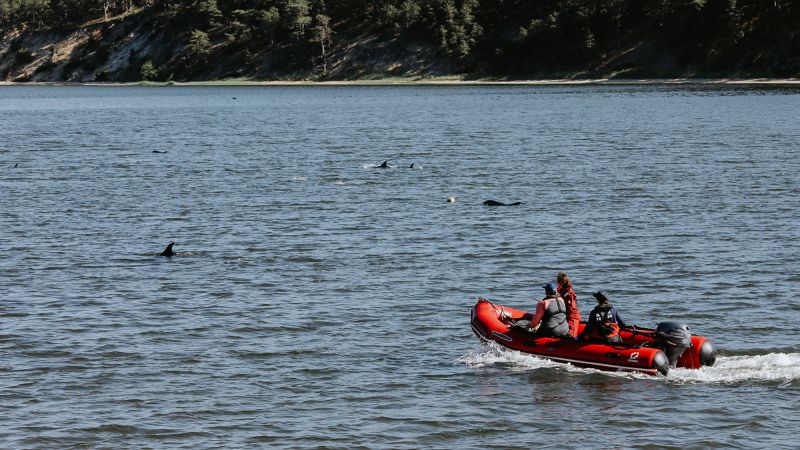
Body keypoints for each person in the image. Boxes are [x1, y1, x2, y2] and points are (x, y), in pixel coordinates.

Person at [556, 272, 580, 338]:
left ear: (560, 283)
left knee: (571, 335)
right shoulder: (562, 291)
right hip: (565, 316)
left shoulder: (568, 294)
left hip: (572, 317)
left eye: (557, 283)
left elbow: (571, 310)